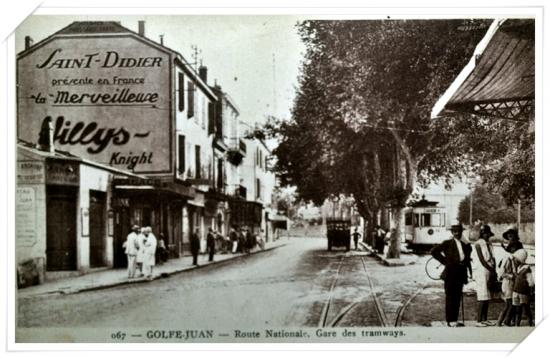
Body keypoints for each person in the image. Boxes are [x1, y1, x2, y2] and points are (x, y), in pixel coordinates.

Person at [431, 222, 472, 327]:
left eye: (459, 231)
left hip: (460, 273)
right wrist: (445, 261)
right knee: (450, 297)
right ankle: (450, 321)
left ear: (462, 232)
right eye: (455, 231)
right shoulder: (447, 243)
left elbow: (468, 254)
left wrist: (467, 243)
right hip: (450, 273)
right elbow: (434, 251)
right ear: (452, 232)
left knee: (458, 297)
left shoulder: (464, 244)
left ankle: (455, 320)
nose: (457, 233)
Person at [472, 225, 497, 327]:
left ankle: (485, 319)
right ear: (482, 234)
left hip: (489, 269)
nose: (486, 235)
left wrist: (494, 269)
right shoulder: (478, 244)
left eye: (488, 234)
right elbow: (482, 260)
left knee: (487, 296)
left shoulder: (489, 244)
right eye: (484, 233)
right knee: (482, 295)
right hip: (482, 270)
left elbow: (493, 257)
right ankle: (478, 320)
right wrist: (490, 269)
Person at [511, 249, 534, 326]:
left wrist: (531, 290)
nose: (513, 260)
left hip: (523, 292)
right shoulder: (518, 268)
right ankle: (518, 324)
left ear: (519, 260)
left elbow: (530, 282)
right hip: (516, 291)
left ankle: (530, 322)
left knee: (525, 308)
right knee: (518, 309)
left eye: (515, 259)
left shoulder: (526, 269)